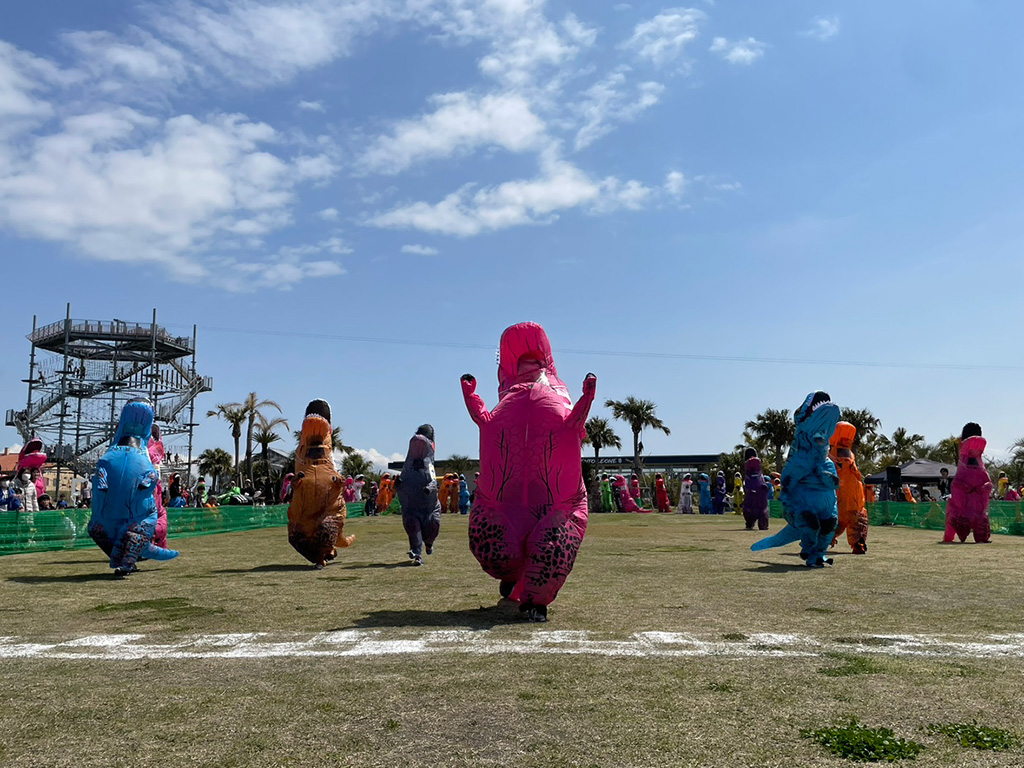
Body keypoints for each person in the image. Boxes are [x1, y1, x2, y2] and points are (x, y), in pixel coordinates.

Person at [397, 424, 442, 566]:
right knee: (413, 527)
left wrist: (430, 488)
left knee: (432, 526)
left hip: (429, 507)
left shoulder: (429, 465)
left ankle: (428, 544)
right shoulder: (408, 464)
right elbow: (402, 478)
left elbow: (433, 481)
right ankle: (416, 553)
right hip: (412, 506)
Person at [943, 422, 992, 544]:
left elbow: (988, 484)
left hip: (971, 507)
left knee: (954, 512)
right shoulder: (974, 465)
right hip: (969, 507)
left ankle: (952, 535)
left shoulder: (966, 464)